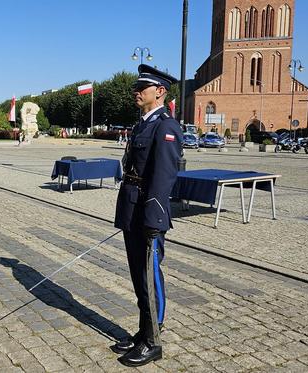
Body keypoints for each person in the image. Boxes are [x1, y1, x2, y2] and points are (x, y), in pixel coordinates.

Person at [112, 65, 182, 367]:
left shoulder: (165, 127)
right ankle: (143, 331)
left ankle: (153, 341)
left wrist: (154, 220)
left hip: (148, 214)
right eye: (136, 87)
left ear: (160, 92)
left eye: (143, 87)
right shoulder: (142, 125)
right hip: (132, 209)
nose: (136, 92)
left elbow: (164, 178)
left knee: (149, 277)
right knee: (138, 278)